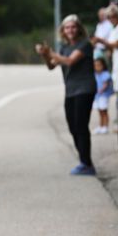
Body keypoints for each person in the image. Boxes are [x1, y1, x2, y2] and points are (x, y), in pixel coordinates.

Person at [36, 15, 97, 175]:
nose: (70, 30)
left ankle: (86, 163)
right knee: (72, 127)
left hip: (85, 89)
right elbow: (51, 65)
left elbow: (69, 61)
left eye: (73, 27)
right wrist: (45, 54)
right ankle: (84, 160)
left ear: (79, 28)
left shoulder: (85, 44)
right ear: (63, 30)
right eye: (67, 28)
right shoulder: (63, 47)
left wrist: (51, 52)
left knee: (81, 125)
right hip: (70, 90)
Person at [94, 4, 118, 92]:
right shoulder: (114, 28)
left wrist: (101, 41)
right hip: (116, 57)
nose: (111, 19)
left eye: (113, 17)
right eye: (109, 17)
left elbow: (117, 44)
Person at [92, 57, 112, 134]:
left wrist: (100, 90)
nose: (97, 67)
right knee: (100, 112)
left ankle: (105, 126)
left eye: (99, 65)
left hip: (103, 96)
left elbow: (105, 84)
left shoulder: (105, 74)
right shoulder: (94, 74)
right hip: (97, 96)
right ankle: (101, 126)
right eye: (95, 65)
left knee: (104, 112)